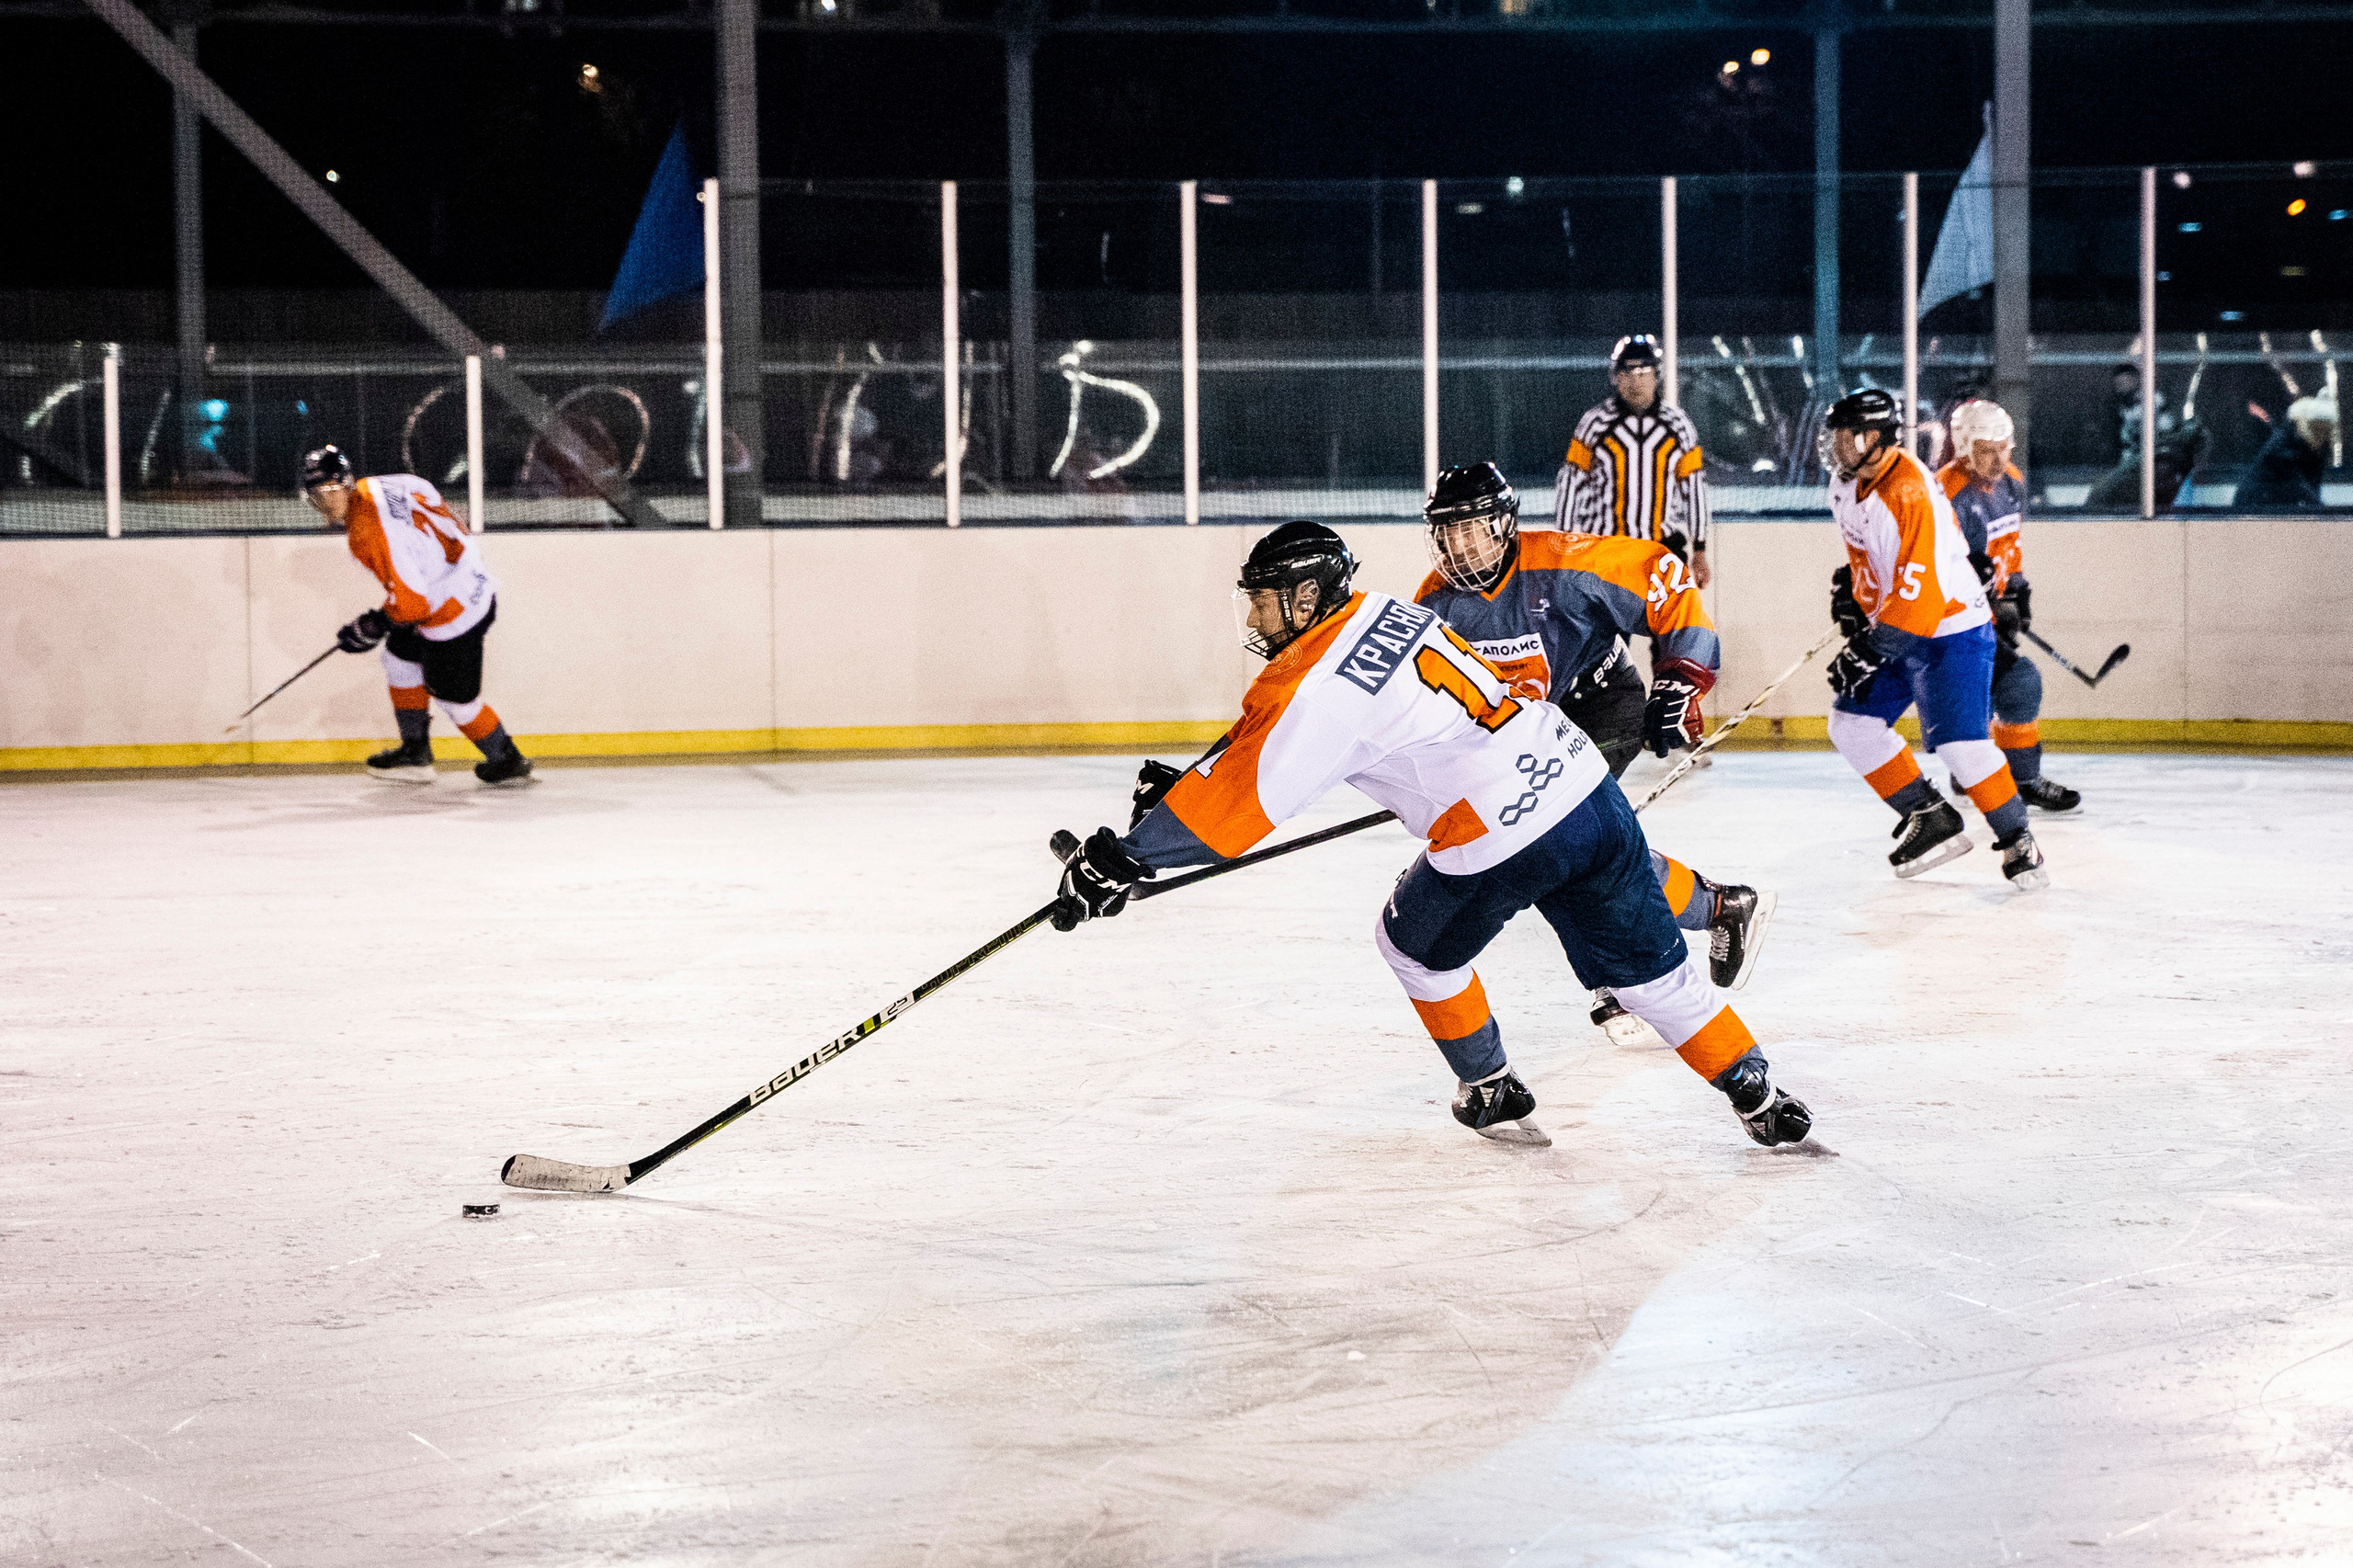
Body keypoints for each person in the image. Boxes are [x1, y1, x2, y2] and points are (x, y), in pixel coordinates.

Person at [1047, 520, 1813, 1151]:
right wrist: (1180, 801)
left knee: (1411, 947)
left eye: (1265, 603)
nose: (1254, 620)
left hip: (1499, 837)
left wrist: (1128, 857)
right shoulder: (1388, 611)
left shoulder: (1314, 685)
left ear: (1307, 596)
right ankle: (1759, 1092)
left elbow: (1243, 802)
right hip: (1582, 784)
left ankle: (1491, 1086)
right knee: (1654, 978)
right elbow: (1273, 738)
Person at [1413, 460, 1776, 1044]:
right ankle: (1718, 908)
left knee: (1562, 842)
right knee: (1559, 847)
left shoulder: (1564, 563)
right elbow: (1428, 698)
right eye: (1446, 533)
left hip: (1603, 705)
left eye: (1470, 529)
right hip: (1530, 732)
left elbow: (1665, 575)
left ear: (1504, 526)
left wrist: (1678, 677)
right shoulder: (1436, 602)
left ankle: (1633, 962)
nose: (1458, 548)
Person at [1816, 391, 2046, 891]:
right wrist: (1856, 599)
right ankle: (1929, 815)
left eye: (1846, 437)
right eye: (1835, 436)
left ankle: (2018, 840)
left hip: (1950, 629)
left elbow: (1922, 599)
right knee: (1852, 723)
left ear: (1877, 439)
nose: (1837, 447)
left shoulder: (1909, 492)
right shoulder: (1845, 483)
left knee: (1961, 745)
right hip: (1900, 626)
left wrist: (1870, 648)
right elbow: (1873, 561)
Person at [299, 445, 534, 787]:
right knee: (399, 657)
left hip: (452, 613)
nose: (327, 502)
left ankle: (507, 760)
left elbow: (413, 607)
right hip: (465, 580)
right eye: (318, 494)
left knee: (457, 701)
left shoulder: (369, 534)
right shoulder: (381, 484)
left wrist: (374, 624)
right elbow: (429, 499)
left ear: (347, 483)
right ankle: (415, 752)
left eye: (332, 491)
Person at [1936, 400, 2080, 812]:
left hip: (1986, 610)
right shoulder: (1945, 495)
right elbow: (1932, 569)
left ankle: (1972, 774)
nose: (1999, 459)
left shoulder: (2012, 483)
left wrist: (2016, 592)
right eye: (1986, 450)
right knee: (2019, 684)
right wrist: (1980, 598)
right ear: (1963, 448)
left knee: (1991, 690)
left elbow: (2007, 549)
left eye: (2004, 448)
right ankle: (2021, 779)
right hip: (1951, 618)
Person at [1553, 334, 1714, 587]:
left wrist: (1700, 550)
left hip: (1660, 551)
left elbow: (1694, 490)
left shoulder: (1678, 426)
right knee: (1600, 627)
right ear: (1616, 377)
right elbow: (1571, 483)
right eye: (1627, 373)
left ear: (1656, 374)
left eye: (1643, 371)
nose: (1635, 381)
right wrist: (1564, 544)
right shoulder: (1594, 424)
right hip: (1605, 550)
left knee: (1672, 626)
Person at [2234, 394, 2336, 511]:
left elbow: (2312, 486)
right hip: (2254, 509)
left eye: (2325, 429)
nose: (2322, 435)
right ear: (2300, 423)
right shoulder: (2281, 447)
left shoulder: (2311, 449)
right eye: (2318, 428)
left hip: (2279, 507)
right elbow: (2299, 487)